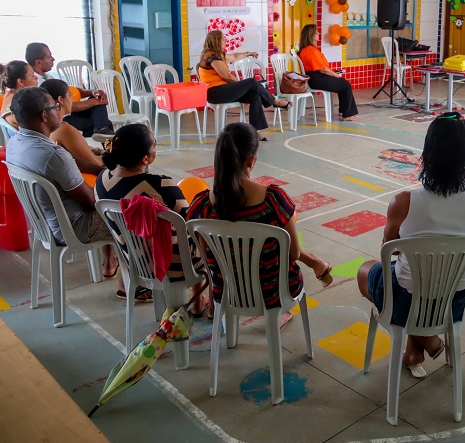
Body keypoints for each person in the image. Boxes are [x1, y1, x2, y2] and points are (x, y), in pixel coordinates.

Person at [356, 112, 465, 378]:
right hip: (458, 301)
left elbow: (389, 249)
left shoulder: (405, 201)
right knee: (421, 275)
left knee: (368, 271)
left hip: (407, 302)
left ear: (427, 152)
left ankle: (423, 339)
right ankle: (415, 350)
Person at [187, 123, 332, 320]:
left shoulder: (202, 206)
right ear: (251, 160)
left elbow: (208, 258)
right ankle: (278, 316)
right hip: (272, 292)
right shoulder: (274, 201)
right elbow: (294, 253)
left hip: (227, 292)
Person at [5, 87, 116, 277]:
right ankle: (133, 282)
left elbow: (68, 160)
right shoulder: (54, 156)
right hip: (75, 228)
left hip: (45, 224)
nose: (59, 109)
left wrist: (101, 171)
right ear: (44, 116)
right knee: (133, 212)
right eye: (55, 107)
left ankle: (111, 261)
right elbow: (91, 202)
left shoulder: (15, 143)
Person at [95, 124, 207, 309]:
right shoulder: (160, 186)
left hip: (135, 261)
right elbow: (191, 223)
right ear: (145, 159)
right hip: (168, 265)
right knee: (206, 237)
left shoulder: (102, 180)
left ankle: (199, 299)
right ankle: (201, 300)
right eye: (154, 145)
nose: (156, 148)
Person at [196, 31, 291, 140]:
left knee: (255, 96)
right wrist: (242, 85)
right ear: (216, 41)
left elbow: (235, 56)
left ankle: (255, 131)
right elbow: (227, 76)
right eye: (223, 39)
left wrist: (248, 53)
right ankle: (275, 101)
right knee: (251, 82)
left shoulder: (218, 55)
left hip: (222, 90)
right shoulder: (211, 56)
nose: (225, 41)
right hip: (215, 92)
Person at [25, 42, 114, 137]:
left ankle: (102, 129)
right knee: (99, 123)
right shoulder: (36, 83)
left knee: (98, 98)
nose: (53, 59)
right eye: (49, 57)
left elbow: (68, 91)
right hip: (60, 120)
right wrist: (95, 102)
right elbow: (64, 106)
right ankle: (102, 133)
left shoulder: (48, 77)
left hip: (69, 114)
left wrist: (92, 92)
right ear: (38, 62)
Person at [41, 79, 104, 175]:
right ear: (61, 100)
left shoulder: (44, 124)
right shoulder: (63, 129)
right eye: (70, 96)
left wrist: (97, 150)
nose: (72, 100)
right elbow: (96, 163)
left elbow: (75, 149)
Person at [298, 24, 359, 121]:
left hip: (315, 77)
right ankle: (348, 114)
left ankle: (344, 110)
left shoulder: (309, 49)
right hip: (316, 79)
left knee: (343, 83)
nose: (318, 33)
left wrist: (334, 74)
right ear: (311, 35)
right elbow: (322, 69)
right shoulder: (310, 50)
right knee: (345, 84)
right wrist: (336, 75)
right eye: (316, 32)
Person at [1, 60, 38, 128]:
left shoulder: (9, 95)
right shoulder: (20, 104)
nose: (36, 78)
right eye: (32, 75)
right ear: (20, 81)